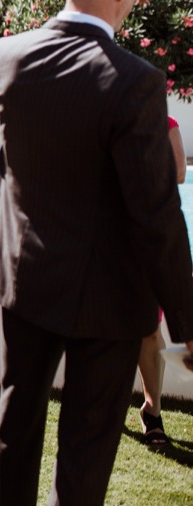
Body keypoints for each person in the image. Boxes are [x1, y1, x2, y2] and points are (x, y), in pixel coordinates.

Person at [0, 0, 193, 505]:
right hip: (109, 300)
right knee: (84, 457)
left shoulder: (2, 56)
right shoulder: (136, 81)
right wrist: (188, 324)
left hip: (27, 281)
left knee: (17, 425)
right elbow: (157, 214)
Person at [136, 115, 186, 445]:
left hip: (150, 234)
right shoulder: (98, 119)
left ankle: (152, 411)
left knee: (149, 329)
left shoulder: (166, 124)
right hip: (103, 237)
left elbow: (180, 173)